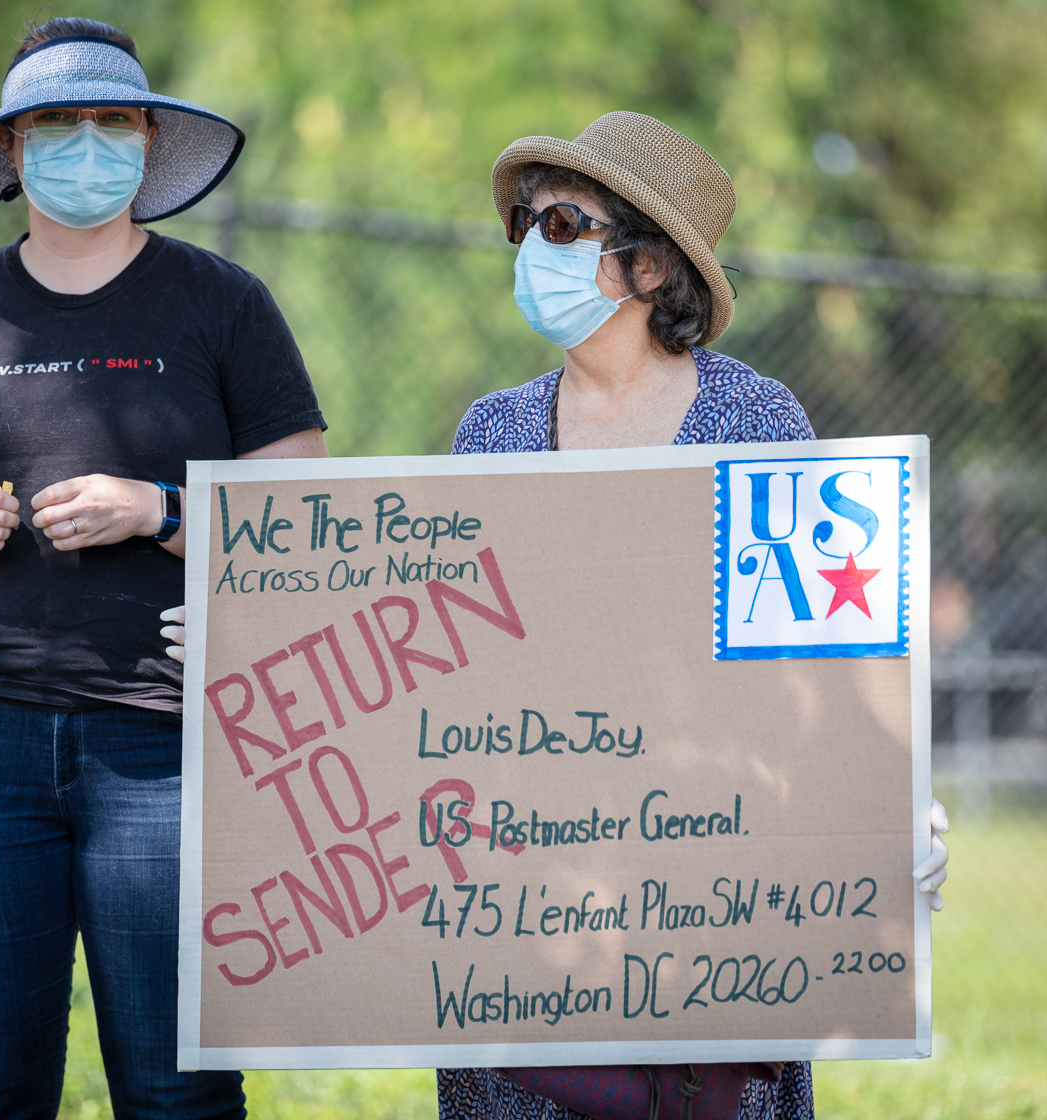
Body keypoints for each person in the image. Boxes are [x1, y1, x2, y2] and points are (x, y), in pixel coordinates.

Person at [0, 17, 326, 1119]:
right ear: (12, 147)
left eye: (113, 121)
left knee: (178, 1094)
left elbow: (305, 528)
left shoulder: (224, 305)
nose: (86, 143)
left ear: (150, 142)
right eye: (57, 122)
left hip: (164, 747)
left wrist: (154, 509)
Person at [435, 111, 951, 1120]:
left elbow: (821, 669)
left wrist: (889, 805)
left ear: (649, 264)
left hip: (710, 906)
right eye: (523, 226)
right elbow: (449, 668)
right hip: (534, 896)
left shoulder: (757, 423)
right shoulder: (486, 431)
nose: (529, 248)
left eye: (560, 225)